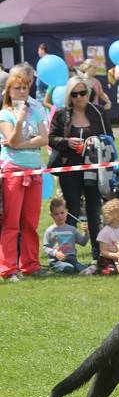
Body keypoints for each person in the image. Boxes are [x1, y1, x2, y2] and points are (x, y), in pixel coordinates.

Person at [49, 75, 113, 260]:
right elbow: (51, 138)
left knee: (94, 209)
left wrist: (95, 142)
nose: (79, 97)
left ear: (88, 93)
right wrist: (67, 142)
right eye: (74, 94)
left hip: (94, 169)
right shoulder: (62, 114)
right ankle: (67, 254)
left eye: (82, 93)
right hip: (70, 168)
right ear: (69, 95)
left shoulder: (98, 112)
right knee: (73, 210)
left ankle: (97, 253)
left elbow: (110, 138)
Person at [0, 72, 48, 280]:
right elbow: (10, 138)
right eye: (17, 88)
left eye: (24, 88)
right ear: (9, 92)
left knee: (30, 221)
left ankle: (30, 264)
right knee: (11, 222)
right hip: (13, 170)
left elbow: (43, 139)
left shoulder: (35, 110)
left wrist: (20, 144)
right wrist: (19, 122)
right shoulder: (4, 114)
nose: (21, 92)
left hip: (34, 169)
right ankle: (8, 268)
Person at [43, 196, 91, 274]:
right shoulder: (50, 230)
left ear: (67, 212)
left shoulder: (72, 229)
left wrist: (86, 232)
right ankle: (54, 268)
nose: (60, 216)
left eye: (62, 213)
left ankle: (79, 268)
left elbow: (83, 242)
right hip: (57, 260)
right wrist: (55, 253)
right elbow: (45, 247)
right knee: (68, 268)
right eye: (56, 214)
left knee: (85, 269)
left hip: (72, 259)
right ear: (51, 215)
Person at [97, 198, 119, 275]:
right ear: (115, 215)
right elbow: (103, 251)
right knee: (112, 271)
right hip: (107, 259)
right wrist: (115, 255)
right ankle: (95, 269)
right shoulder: (105, 232)